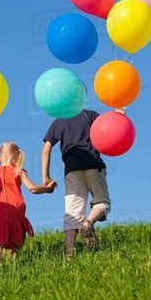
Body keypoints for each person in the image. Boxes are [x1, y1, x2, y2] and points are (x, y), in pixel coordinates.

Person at [0, 141, 56, 265]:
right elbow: (33, 189)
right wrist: (47, 189)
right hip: (16, 210)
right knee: (17, 238)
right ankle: (14, 263)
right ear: (16, 159)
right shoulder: (19, 171)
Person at [42, 109, 112, 259]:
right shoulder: (90, 115)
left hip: (72, 170)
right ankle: (88, 223)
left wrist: (46, 177)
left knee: (72, 214)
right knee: (103, 202)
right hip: (93, 165)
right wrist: (118, 114)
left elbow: (46, 150)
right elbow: (109, 127)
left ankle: (69, 255)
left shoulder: (58, 121)